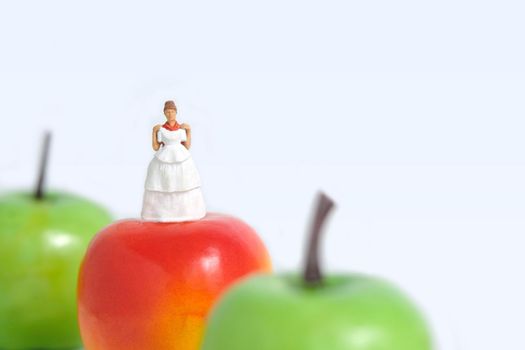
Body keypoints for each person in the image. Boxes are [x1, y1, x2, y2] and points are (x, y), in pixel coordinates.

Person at [141, 100, 206, 221]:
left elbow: (186, 146)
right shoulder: (161, 129)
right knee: (162, 183)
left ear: (176, 113)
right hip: (164, 156)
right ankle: (159, 212)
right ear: (164, 114)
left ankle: (186, 211)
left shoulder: (181, 129)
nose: (170, 114)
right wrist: (154, 132)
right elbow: (155, 147)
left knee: (183, 182)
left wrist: (188, 131)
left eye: (172, 111)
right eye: (167, 112)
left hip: (181, 157)